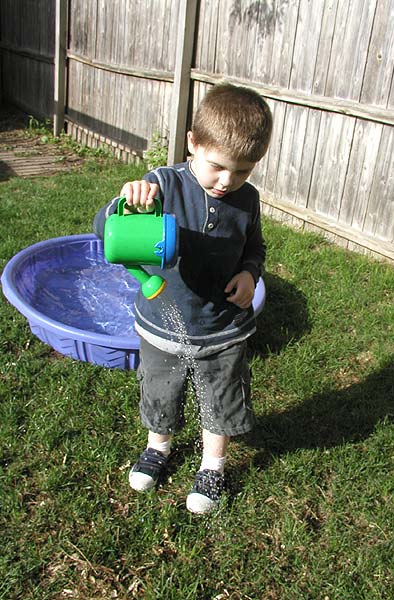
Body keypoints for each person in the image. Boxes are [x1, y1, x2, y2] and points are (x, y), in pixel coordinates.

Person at [94, 83, 272, 514]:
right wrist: (127, 205)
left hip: (223, 327)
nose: (228, 181)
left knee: (221, 393)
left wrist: (250, 273)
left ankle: (213, 465)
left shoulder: (247, 200)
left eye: (244, 171)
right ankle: (158, 447)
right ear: (193, 143)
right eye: (217, 167)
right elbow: (105, 230)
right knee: (160, 389)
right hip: (162, 323)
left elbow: (255, 247)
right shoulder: (160, 187)